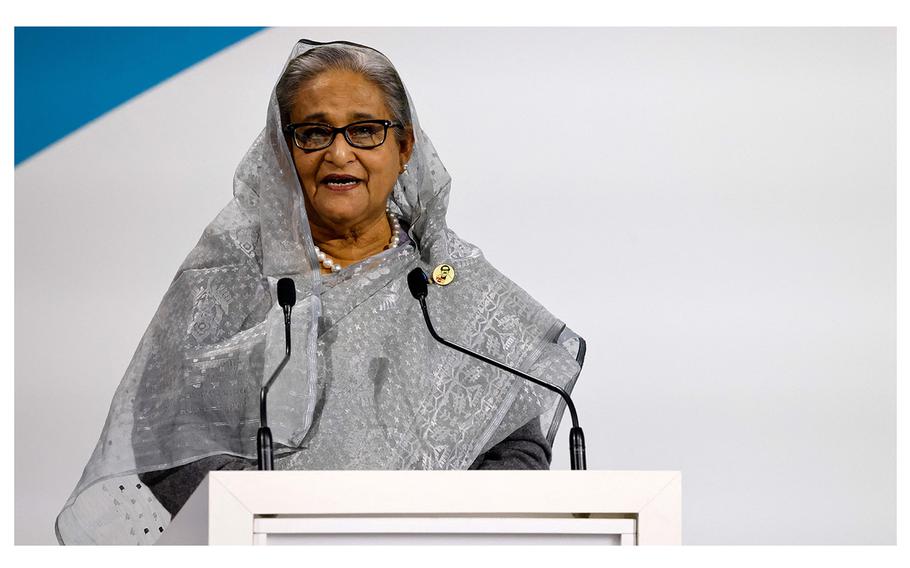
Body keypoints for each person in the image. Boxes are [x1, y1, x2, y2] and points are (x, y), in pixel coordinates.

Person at [55, 39, 584, 545]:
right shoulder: (227, 281)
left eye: (365, 131)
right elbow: (166, 443)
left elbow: (517, 447)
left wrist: (433, 525)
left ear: (404, 148)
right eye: (313, 132)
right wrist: (285, 516)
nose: (339, 153)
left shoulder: (452, 288)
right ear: (282, 153)